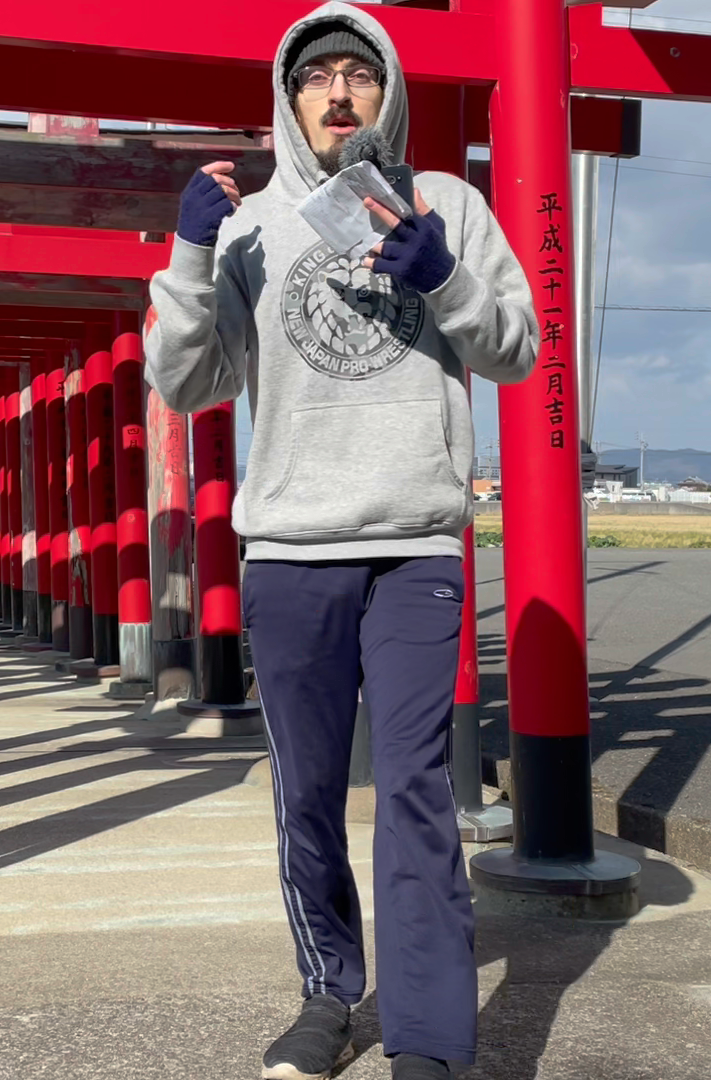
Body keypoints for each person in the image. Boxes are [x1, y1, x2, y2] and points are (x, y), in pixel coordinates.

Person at [145, 3, 538, 1078]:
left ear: (387, 92)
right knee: (307, 793)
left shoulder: (447, 202)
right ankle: (328, 994)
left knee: (414, 794)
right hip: (287, 550)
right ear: (289, 98)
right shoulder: (251, 228)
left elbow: (517, 349)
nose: (338, 93)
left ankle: (428, 1042)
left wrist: (443, 277)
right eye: (315, 76)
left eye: (359, 74)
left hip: (414, 542)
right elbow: (184, 380)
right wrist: (188, 256)